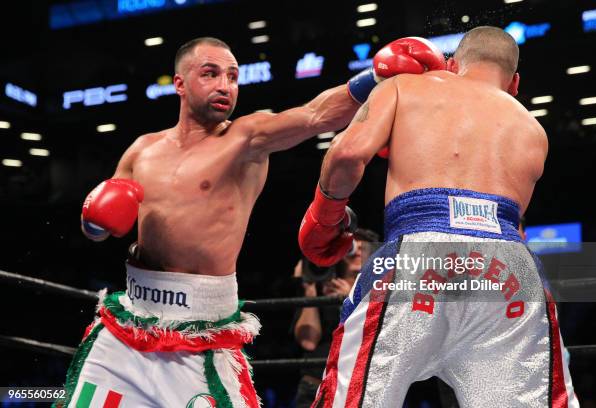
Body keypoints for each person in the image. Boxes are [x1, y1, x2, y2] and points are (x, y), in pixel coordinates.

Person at [57, 36, 444, 407]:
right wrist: (94, 224)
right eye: (210, 74)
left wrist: (375, 79)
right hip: (129, 324)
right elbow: (97, 230)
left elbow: (314, 115)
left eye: (232, 76)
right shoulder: (141, 150)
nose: (224, 84)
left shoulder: (246, 139)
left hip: (200, 334)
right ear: (179, 83)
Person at [299, 26, 579, 407]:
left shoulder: (406, 88)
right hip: (510, 270)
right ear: (515, 82)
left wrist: (326, 215)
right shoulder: (533, 128)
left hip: (420, 255)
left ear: (452, 64)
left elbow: (346, 156)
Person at [293, 229, 379, 408]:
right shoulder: (323, 288)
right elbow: (307, 341)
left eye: (363, 248)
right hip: (317, 384)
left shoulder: (381, 290)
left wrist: (351, 299)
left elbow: (379, 334)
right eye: (351, 247)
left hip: (362, 384)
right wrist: (310, 290)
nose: (356, 251)